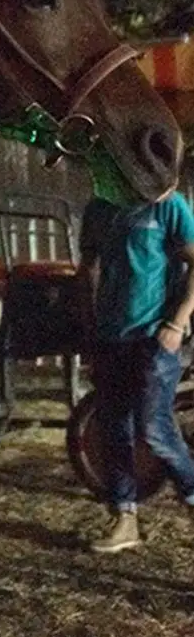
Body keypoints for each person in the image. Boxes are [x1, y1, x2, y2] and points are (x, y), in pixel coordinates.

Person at [79, 186, 194, 552]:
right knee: (114, 426)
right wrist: (90, 330)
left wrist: (176, 324)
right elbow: (88, 269)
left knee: (153, 425)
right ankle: (124, 520)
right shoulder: (98, 207)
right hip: (110, 336)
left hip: (154, 336)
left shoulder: (167, 203)